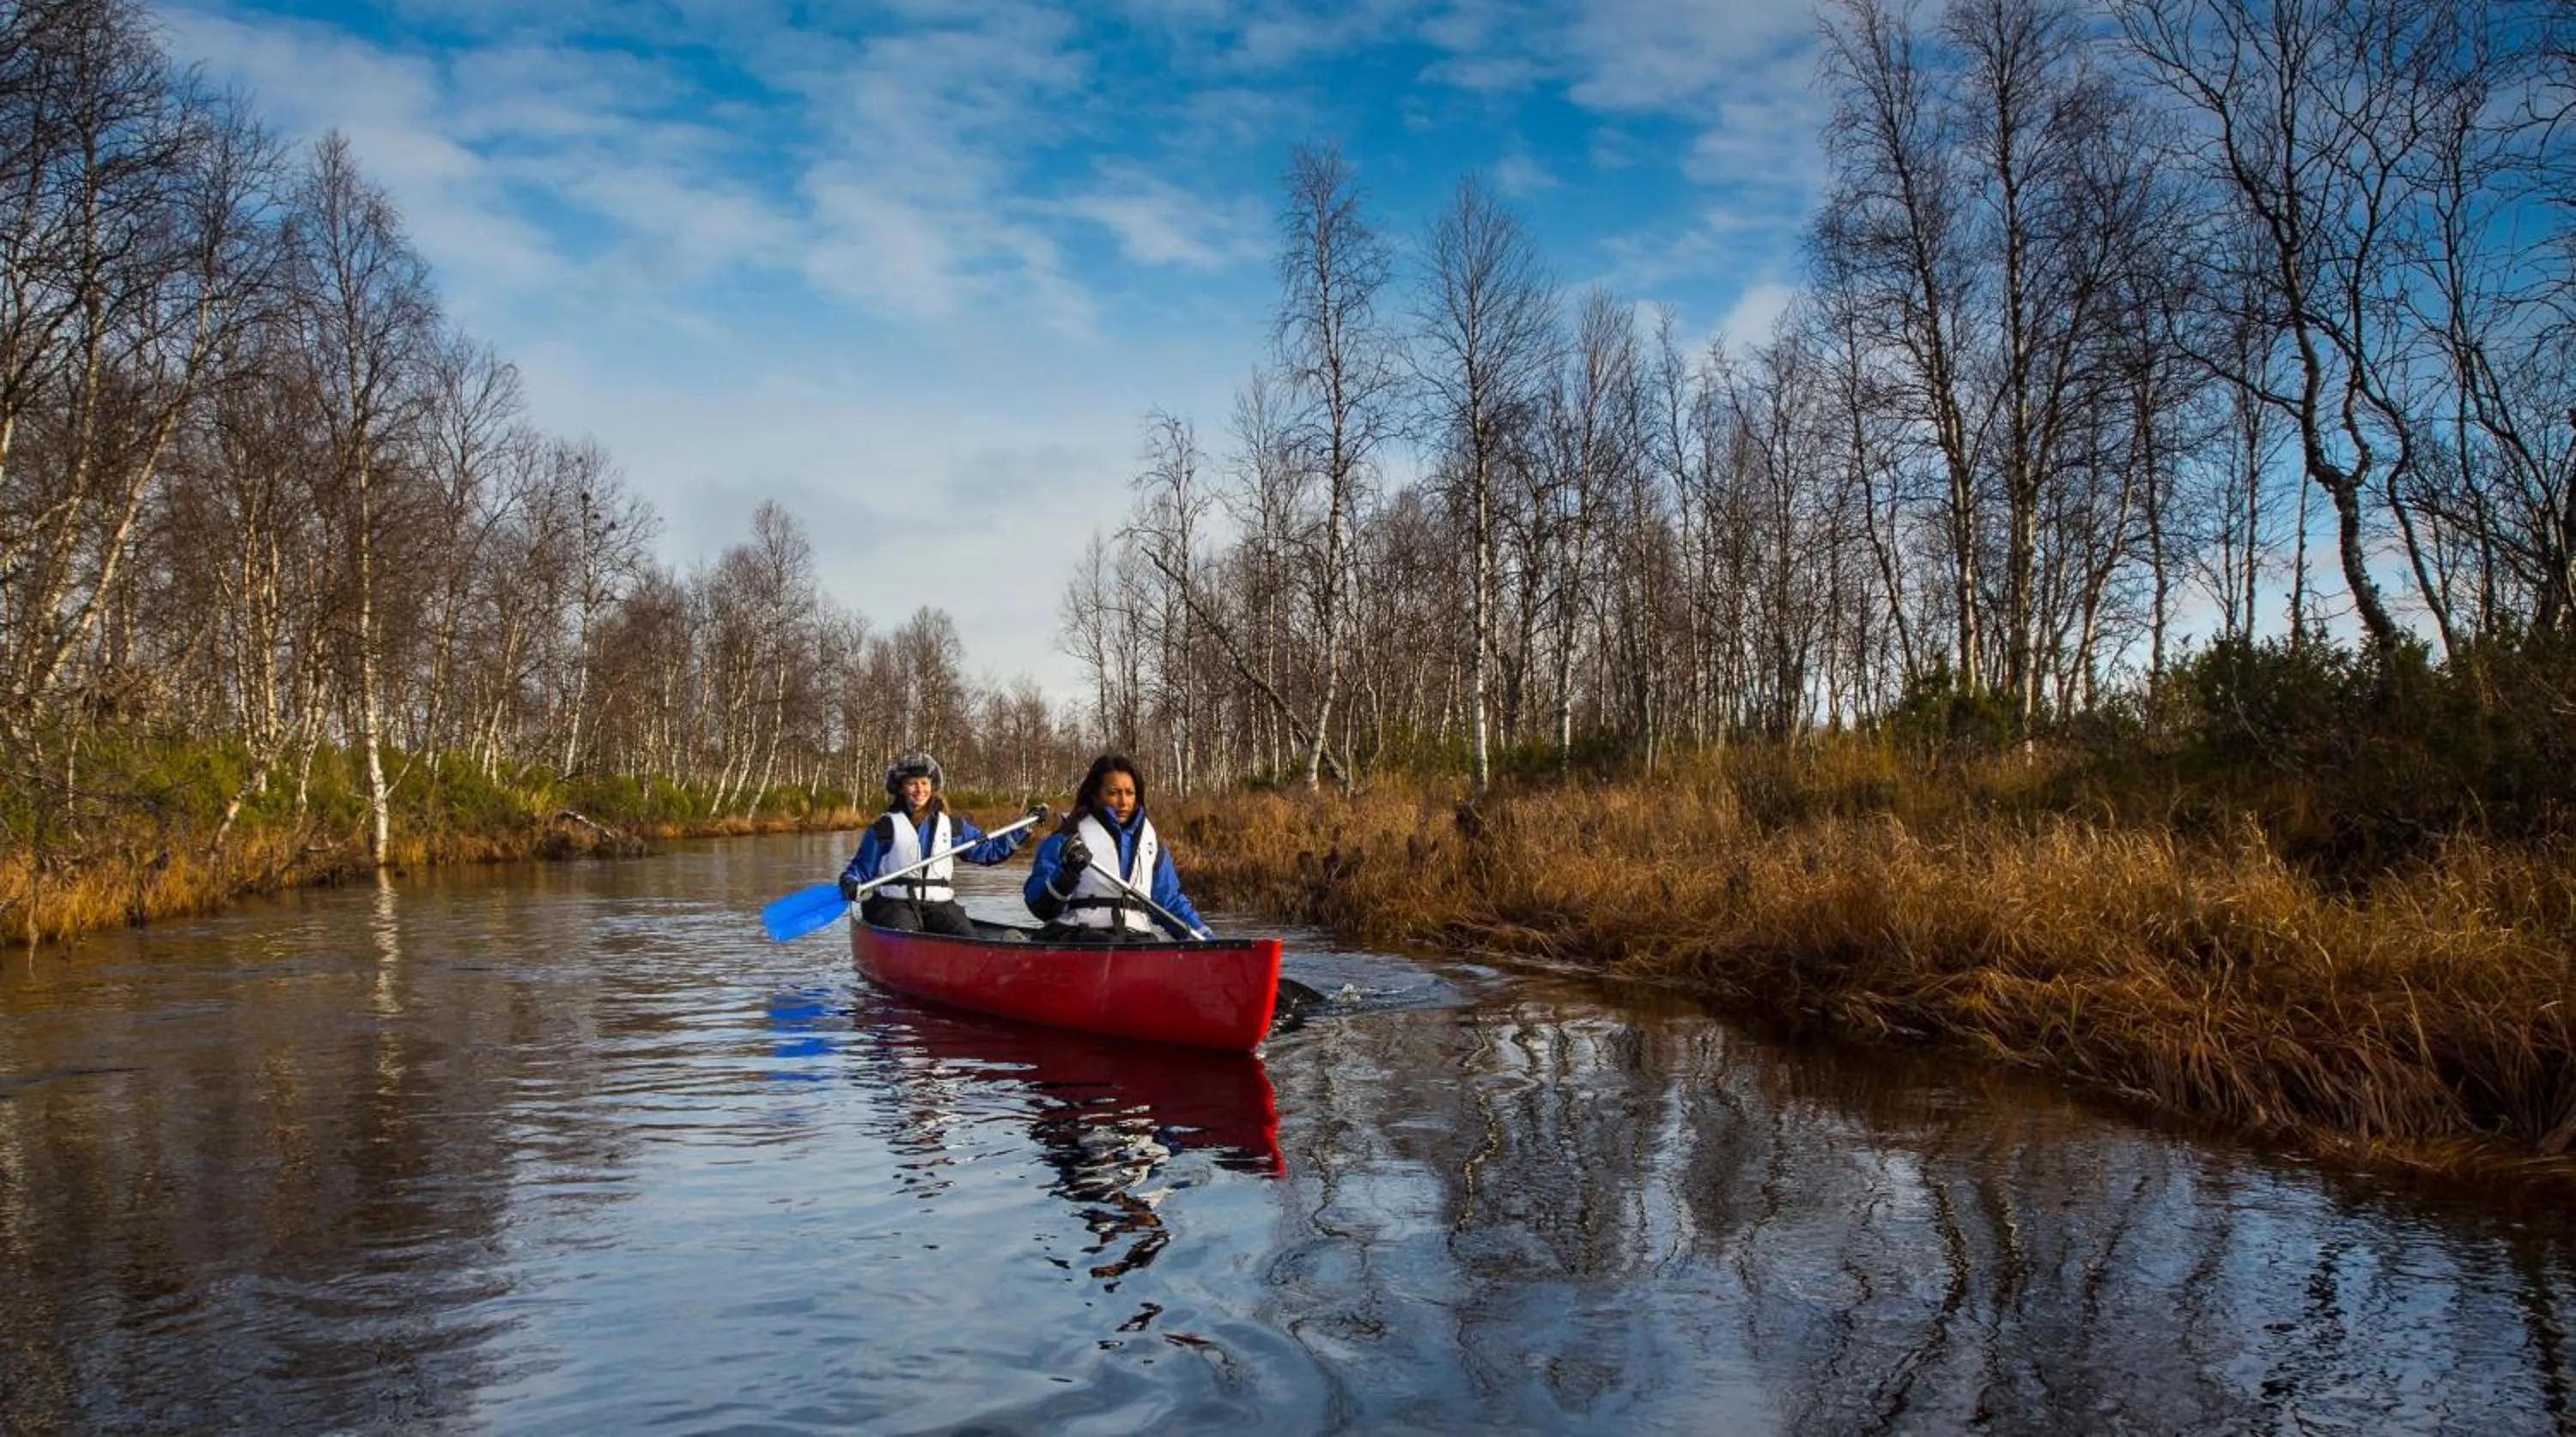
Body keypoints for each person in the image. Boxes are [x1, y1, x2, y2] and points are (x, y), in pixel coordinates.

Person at [841, 752, 1042, 937]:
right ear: (901, 788)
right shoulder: (885, 826)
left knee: (969, 939)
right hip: (895, 905)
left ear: (932, 786)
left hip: (939, 905)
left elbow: (988, 851)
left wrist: (1024, 826)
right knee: (906, 940)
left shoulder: (952, 825)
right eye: (912, 784)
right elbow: (860, 868)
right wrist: (850, 881)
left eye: (924, 783)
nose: (919, 790)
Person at [1024, 753, 1209, 941]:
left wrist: (1207, 939)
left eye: (1130, 793)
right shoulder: (1065, 840)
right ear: (1095, 795)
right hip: (1079, 938)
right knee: (1108, 941)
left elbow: (1171, 904)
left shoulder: (1151, 845)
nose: (1123, 802)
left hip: (1135, 941)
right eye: (1113, 793)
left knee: (1144, 943)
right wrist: (1066, 876)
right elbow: (1038, 905)